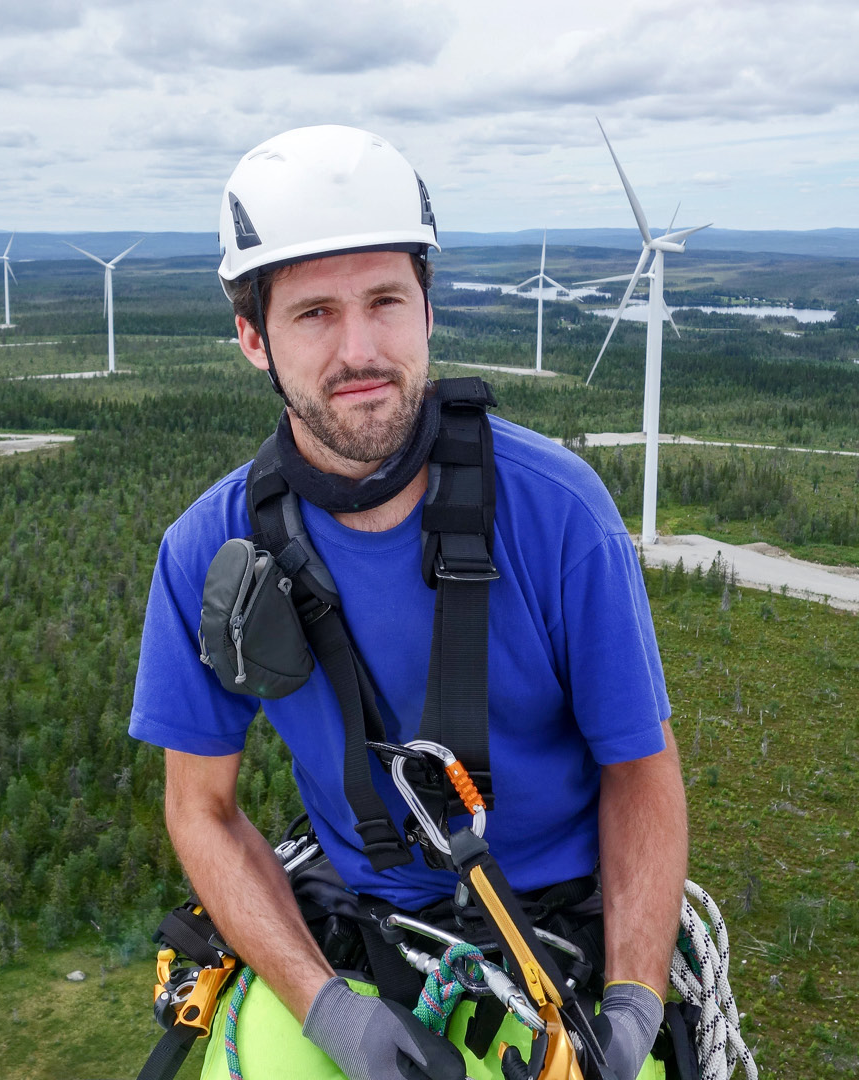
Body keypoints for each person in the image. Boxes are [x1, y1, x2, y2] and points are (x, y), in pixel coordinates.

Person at [129, 126, 687, 1080]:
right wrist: (325, 1008)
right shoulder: (204, 549)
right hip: (363, 932)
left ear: (428, 309)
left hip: (562, 931)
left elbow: (639, 770)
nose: (361, 349)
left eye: (386, 301)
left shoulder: (559, 514)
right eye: (313, 314)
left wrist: (632, 1006)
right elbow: (202, 810)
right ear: (252, 337)